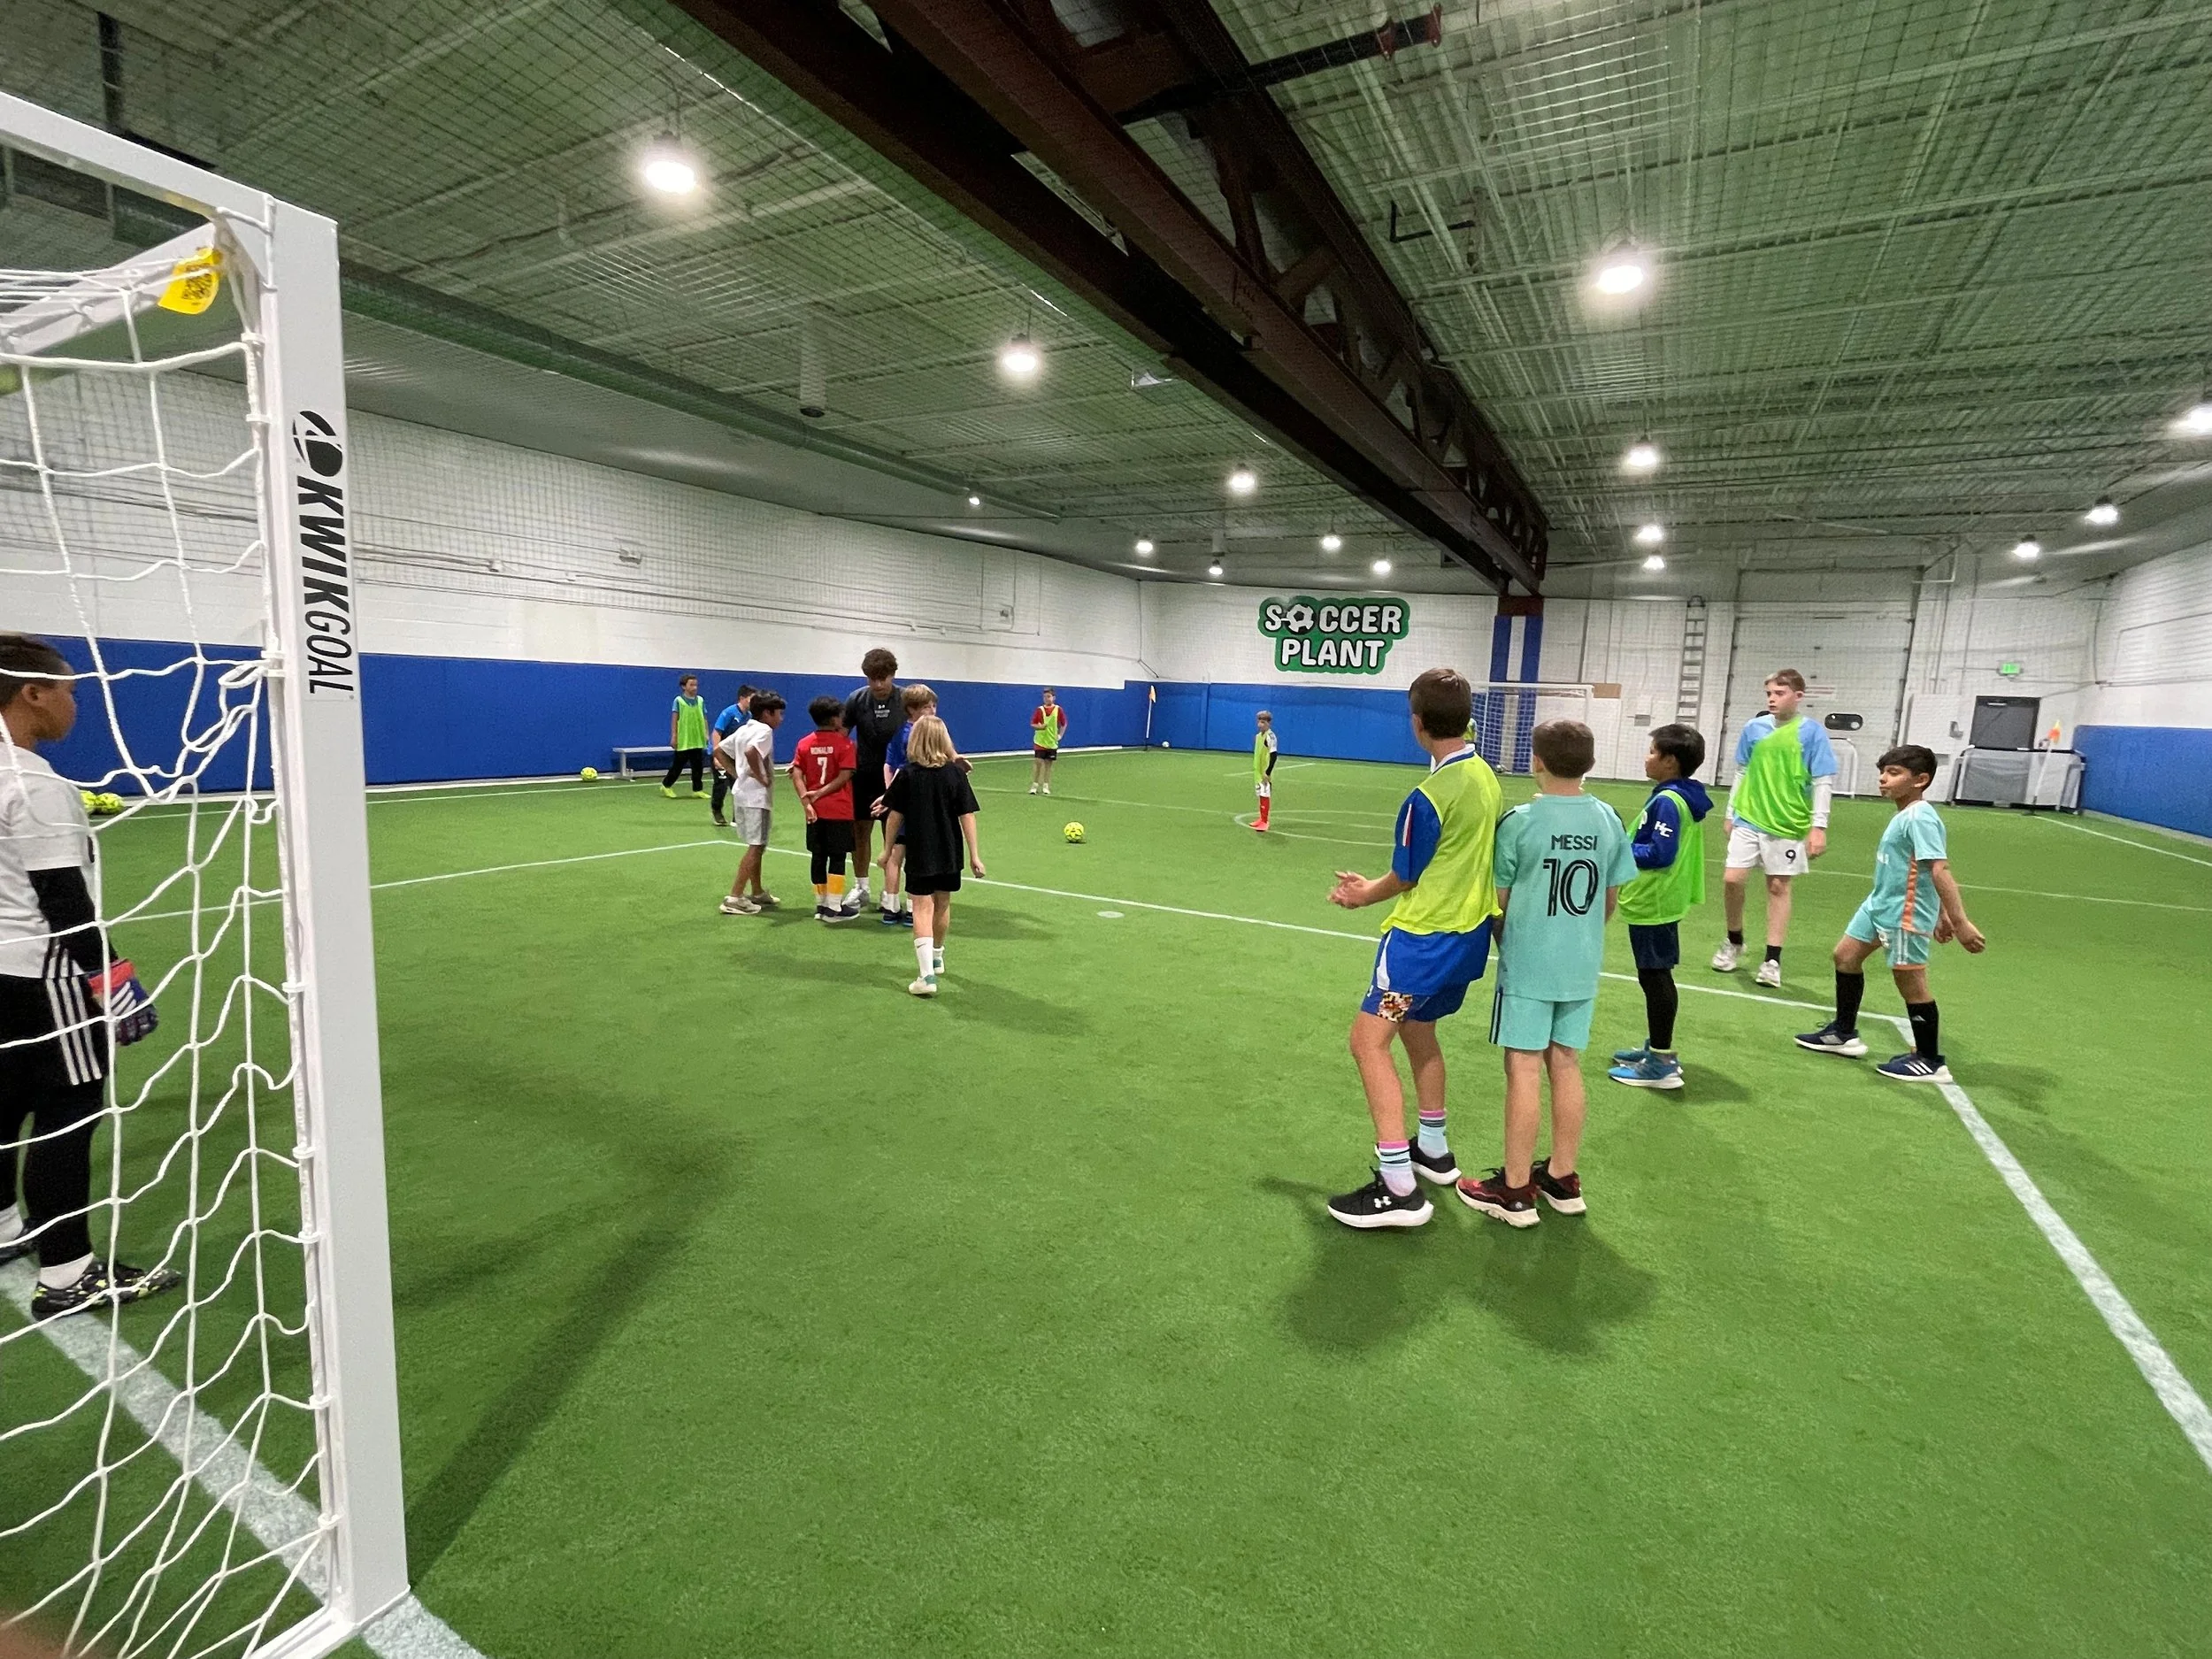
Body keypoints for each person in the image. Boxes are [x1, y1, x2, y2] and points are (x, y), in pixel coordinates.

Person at [0, 634, 178, 1318]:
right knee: (66, 1118)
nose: (76, 703)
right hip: (45, 981)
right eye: (70, 689)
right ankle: (69, 1272)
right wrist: (114, 980)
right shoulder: (34, 783)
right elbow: (65, 904)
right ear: (32, 693)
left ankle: (4, 1229)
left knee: (3, 1103)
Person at [1321, 669, 1502, 1229]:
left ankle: (1399, 1184)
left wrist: (1360, 895)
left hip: (1419, 946)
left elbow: (1405, 875)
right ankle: (1433, 1147)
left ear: (1417, 724)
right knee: (1419, 1033)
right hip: (1467, 941)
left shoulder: (1426, 797)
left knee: (1368, 1042)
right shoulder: (1486, 776)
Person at [1457, 719, 1636, 1229]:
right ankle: (1563, 1176)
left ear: (1536, 760)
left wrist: (1512, 936)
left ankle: (1515, 1189)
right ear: (1592, 763)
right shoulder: (1607, 818)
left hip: (1530, 964)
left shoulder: (1519, 822)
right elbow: (1608, 900)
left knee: (1524, 1068)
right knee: (1567, 1063)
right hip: (1580, 964)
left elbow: (1502, 901)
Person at [1794, 744, 1985, 1082]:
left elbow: (1938, 870)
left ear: (1921, 780)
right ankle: (1843, 1033)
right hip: (1879, 903)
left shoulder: (1922, 817)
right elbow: (1922, 869)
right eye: (1883, 771)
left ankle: (1929, 1059)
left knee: (1910, 980)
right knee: (1845, 956)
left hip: (1904, 912)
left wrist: (1959, 922)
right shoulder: (1905, 813)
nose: (1883, 779)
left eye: (1894, 773)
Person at [1712, 668, 1835, 987]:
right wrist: (1730, 811)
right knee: (1732, 879)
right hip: (1749, 816)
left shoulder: (1812, 733)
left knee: (1778, 887)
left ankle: (1771, 960)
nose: (1772, 699)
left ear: (1798, 696)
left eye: (1779, 693)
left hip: (1787, 822)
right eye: (1769, 693)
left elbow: (1822, 779)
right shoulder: (1753, 728)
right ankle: (1735, 940)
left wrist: (1818, 826)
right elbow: (1741, 771)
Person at [1609, 724, 1714, 1091]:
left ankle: (1661, 1062)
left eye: (1652, 751)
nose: (1647, 757)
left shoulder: (1669, 801)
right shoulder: (1678, 795)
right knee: (1654, 975)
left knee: (1655, 977)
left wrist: (1618, 848)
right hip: (1662, 899)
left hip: (1655, 899)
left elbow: (1658, 853)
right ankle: (1657, 1048)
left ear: (1670, 761)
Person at [881, 714, 984, 998]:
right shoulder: (955, 774)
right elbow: (968, 816)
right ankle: (937, 956)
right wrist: (975, 855)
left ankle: (926, 975)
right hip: (950, 851)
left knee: (921, 906)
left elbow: (894, 817)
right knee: (943, 902)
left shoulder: (908, 776)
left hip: (921, 851)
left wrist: (888, 850)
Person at [874, 683, 943, 929]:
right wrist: (890, 795)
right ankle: (913, 908)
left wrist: (889, 794)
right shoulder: (923, 734)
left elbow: (888, 765)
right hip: (917, 803)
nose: (933, 710)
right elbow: (897, 767)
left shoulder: (900, 732)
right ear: (912, 710)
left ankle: (891, 907)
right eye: (927, 707)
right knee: (910, 857)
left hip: (900, 798)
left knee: (895, 854)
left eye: (934, 705)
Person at [787, 695, 856, 925]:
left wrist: (807, 801)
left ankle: (820, 904)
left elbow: (796, 773)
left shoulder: (804, 743)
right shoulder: (846, 744)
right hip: (838, 810)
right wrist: (823, 792)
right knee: (837, 857)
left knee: (818, 856)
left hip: (814, 812)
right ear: (835, 718)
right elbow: (845, 775)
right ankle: (834, 907)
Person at [843, 651, 902, 917]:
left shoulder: (906, 700)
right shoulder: (856, 700)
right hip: (864, 775)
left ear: (893, 675)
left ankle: (891, 892)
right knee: (860, 832)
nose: (878, 685)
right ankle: (861, 887)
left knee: (895, 837)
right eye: (872, 679)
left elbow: (927, 731)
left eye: (883, 678)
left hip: (898, 778)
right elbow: (841, 737)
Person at [719, 692, 784, 915]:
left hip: (741, 794)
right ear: (767, 713)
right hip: (756, 797)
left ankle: (756, 891)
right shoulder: (764, 731)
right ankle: (734, 897)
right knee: (756, 847)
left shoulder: (744, 728)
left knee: (757, 845)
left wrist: (736, 774)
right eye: (779, 714)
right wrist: (761, 776)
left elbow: (719, 750)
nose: (781, 719)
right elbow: (750, 752)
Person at [709, 685, 756, 828]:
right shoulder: (728, 713)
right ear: (742, 698)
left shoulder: (749, 716)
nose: (753, 703)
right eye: (751, 699)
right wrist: (717, 756)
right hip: (722, 754)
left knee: (739, 785)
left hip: (736, 757)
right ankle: (717, 811)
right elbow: (716, 733)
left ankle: (738, 816)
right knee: (721, 785)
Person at [663, 674, 710, 798]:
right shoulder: (678, 701)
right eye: (691, 685)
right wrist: (674, 736)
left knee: (698, 766)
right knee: (678, 765)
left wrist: (706, 733)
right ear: (684, 686)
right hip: (684, 739)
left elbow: (704, 718)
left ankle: (697, 790)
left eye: (696, 685)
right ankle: (666, 785)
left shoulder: (700, 700)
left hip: (698, 738)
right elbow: (674, 719)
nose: (695, 687)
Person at [1029, 687, 1067, 795]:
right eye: (1045, 697)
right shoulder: (1039, 710)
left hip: (1051, 742)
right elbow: (1033, 724)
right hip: (1040, 742)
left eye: (1049, 696)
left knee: (1048, 765)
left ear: (1053, 698)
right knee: (1038, 763)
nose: (1046, 699)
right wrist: (1039, 727)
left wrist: (1060, 735)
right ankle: (1035, 785)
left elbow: (1064, 724)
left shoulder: (1058, 710)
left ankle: (1046, 785)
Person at [1250, 710, 1279, 832]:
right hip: (1258, 772)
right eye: (1259, 721)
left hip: (1265, 773)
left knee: (1265, 795)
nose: (1260, 725)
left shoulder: (1270, 736)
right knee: (1260, 795)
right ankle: (1261, 818)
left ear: (1268, 723)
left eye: (1263, 722)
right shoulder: (1258, 737)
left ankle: (1265, 821)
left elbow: (1273, 755)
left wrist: (1268, 772)